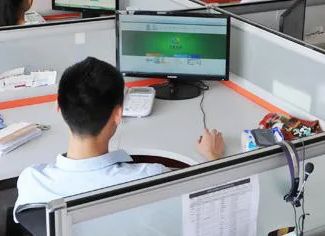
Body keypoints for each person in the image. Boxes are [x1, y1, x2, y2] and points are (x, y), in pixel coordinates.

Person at [14, 57, 224, 212]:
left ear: (58, 107)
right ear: (118, 114)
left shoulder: (31, 181)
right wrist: (213, 157)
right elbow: (211, 205)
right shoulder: (151, 177)